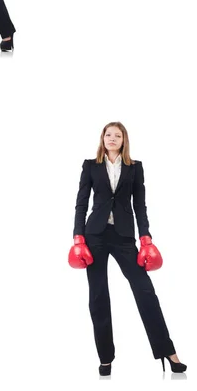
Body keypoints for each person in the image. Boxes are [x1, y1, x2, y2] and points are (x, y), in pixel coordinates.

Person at [68, 121, 186, 376]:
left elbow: (140, 205)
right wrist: (78, 237)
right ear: (103, 139)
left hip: (123, 237)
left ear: (124, 140)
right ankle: (106, 357)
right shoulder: (90, 166)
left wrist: (146, 238)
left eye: (117, 135)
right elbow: (81, 203)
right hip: (94, 236)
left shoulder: (135, 168)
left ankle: (167, 351)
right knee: (98, 296)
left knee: (145, 291)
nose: (112, 138)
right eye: (108, 134)